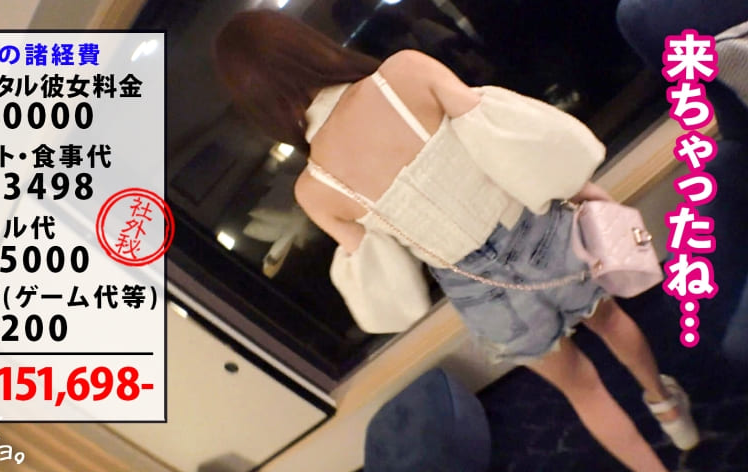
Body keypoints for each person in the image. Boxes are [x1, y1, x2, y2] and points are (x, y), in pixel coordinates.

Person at [214, 10, 698, 471]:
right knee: (610, 321)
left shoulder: (314, 190)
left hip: (479, 291)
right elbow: (513, 143)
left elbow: (385, 276)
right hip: (537, 232)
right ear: (306, 45)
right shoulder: (403, 73)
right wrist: (583, 188)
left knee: (582, 390)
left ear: (258, 105)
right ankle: (669, 410)